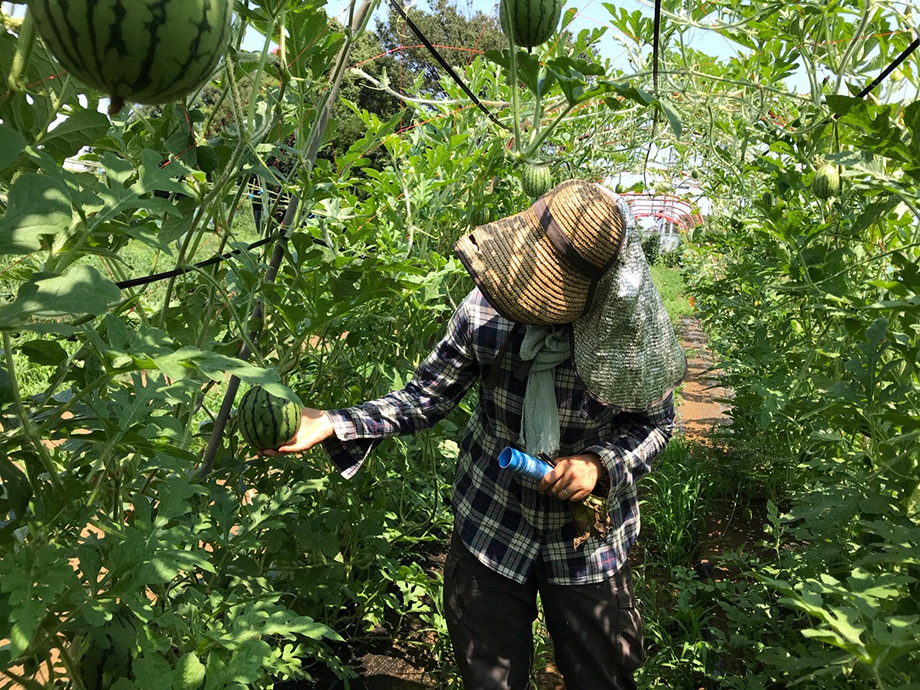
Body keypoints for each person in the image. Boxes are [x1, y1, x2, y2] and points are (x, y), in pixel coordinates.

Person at [264, 179, 687, 689]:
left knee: (600, 672)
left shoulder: (627, 336)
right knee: (489, 676)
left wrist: (599, 464)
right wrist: (336, 421)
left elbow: (655, 422)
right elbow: (425, 398)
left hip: (586, 542)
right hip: (492, 520)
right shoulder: (484, 311)